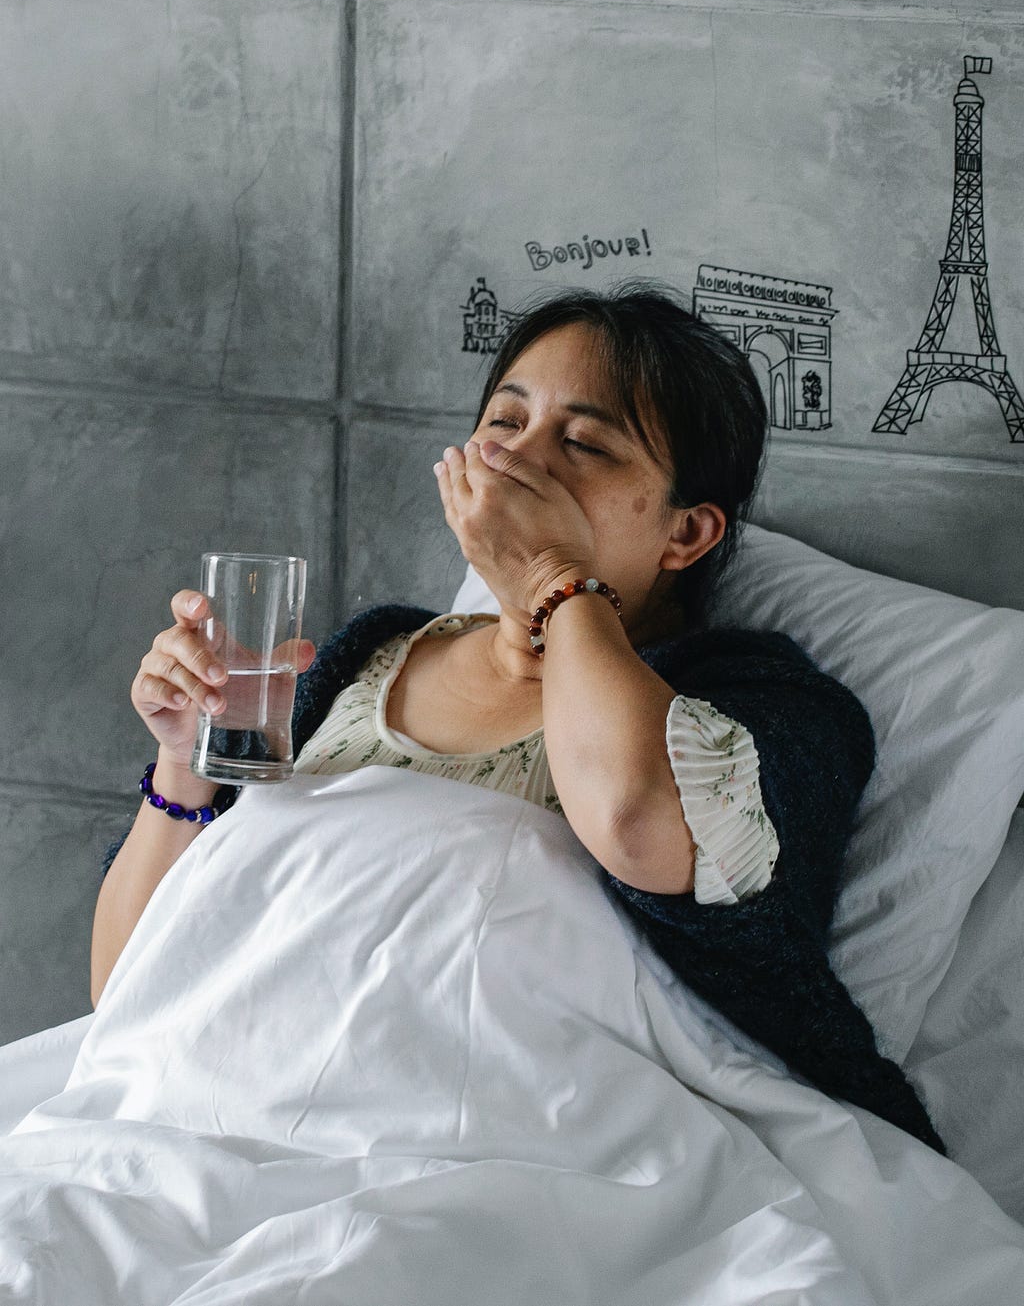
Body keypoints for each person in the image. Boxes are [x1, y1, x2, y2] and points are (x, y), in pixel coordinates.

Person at [93, 280, 946, 1155]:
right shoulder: (368, 656)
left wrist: (552, 578)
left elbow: (634, 814)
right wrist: (184, 761)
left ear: (686, 534)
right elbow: (134, 989)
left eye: (584, 443)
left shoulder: (769, 706)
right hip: (225, 1114)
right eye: (504, 422)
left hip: (529, 1146)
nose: (519, 458)